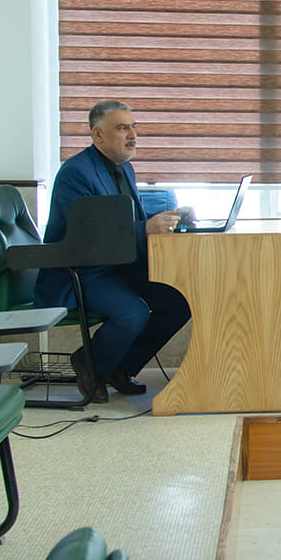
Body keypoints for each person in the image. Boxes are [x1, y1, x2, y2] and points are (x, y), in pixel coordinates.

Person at [33, 99, 192, 402]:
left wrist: (170, 217)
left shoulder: (124, 168)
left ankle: (120, 368)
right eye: (122, 128)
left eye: (134, 127)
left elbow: (126, 220)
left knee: (177, 303)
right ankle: (89, 362)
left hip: (118, 266)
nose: (132, 135)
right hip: (81, 271)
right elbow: (90, 235)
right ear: (98, 135)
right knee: (132, 312)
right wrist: (144, 229)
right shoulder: (75, 173)